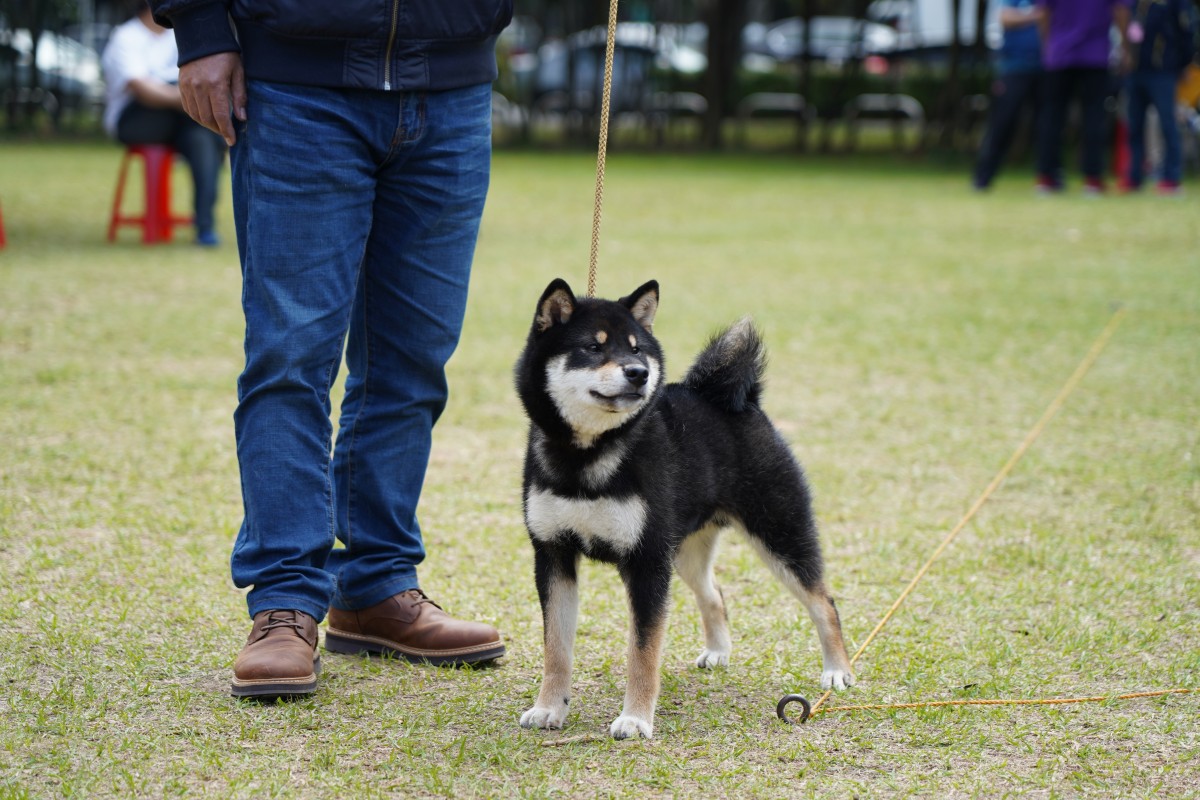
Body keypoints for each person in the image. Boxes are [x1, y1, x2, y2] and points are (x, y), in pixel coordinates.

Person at [147, 0, 513, 698]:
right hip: (296, 86)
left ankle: (376, 586)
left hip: (454, 85)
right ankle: (285, 602)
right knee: (289, 359)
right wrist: (199, 27)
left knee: (414, 360)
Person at [101, 1, 226, 246]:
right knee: (206, 124)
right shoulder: (126, 36)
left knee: (202, 139)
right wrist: (189, 101)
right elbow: (141, 89)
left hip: (180, 120)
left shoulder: (176, 36)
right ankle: (223, 136)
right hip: (136, 119)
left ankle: (205, 227)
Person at [1034, 0, 1133, 193]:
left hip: (1059, 53)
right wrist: (1125, 48)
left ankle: (1046, 176)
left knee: (1052, 116)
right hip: (1095, 54)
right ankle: (1093, 179)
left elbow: (1043, 12)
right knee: (1094, 117)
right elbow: (1121, 10)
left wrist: (1048, 45)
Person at [1120, 0, 1198, 194]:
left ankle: (1171, 177)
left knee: (1168, 124)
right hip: (1136, 71)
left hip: (1163, 72)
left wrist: (1182, 65)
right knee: (1134, 125)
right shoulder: (1134, 2)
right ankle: (1134, 177)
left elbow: (1187, 32)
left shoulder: (1176, 2)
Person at [973, 0, 1046, 190]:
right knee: (1002, 123)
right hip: (1013, 67)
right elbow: (1005, 17)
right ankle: (983, 177)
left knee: (1046, 126)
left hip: (1047, 67)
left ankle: (1047, 178)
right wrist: (1037, 15)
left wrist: (1028, 16)